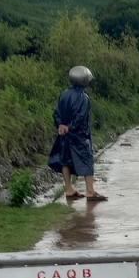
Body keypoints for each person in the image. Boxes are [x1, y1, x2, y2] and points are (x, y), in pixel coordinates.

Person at [47, 65, 107, 202]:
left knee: (65, 160)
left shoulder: (64, 94)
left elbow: (56, 114)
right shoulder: (83, 97)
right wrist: (70, 127)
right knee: (87, 160)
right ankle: (90, 191)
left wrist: (61, 126)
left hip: (64, 135)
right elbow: (80, 117)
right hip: (79, 135)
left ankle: (69, 189)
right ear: (84, 80)